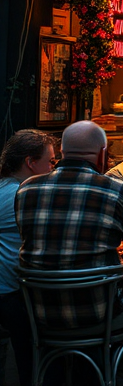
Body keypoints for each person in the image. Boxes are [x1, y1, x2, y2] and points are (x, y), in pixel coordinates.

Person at [16, 121, 123, 379]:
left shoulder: (26, 190)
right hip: (99, 311)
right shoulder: (118, 191)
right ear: (102, 154)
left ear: (62, 152)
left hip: (42, 312)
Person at [0, 130, 56, 386]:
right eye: (51, 161)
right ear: (31, 163)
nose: (54, 168)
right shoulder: (25, 195)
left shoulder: (5, 188)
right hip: (14, 293)